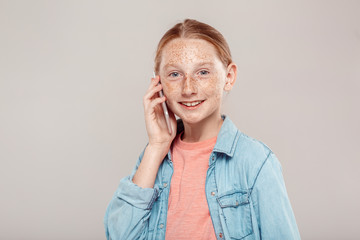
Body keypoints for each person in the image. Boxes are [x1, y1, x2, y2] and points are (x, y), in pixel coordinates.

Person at [104, 19, 301, 240]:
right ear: (157, 83)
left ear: (228, 77)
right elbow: (118, 235)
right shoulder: (153, 157)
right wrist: (156, 147)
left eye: (203, 72)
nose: (188, 89)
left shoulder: (256, 161)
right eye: (175, 75)